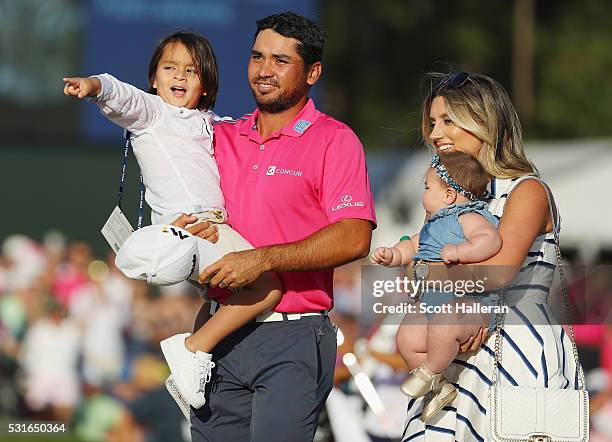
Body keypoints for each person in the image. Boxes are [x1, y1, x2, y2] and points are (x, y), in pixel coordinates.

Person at [172, 12, 376, 442]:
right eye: (257, 57)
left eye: (281, 61)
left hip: (293, 335)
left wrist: (262, 259)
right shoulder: (219, 134)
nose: (264, 70)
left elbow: (356, 235)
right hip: (216, 330)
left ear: (312, 72)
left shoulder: (334, 140)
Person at [62, 31, 283, 414]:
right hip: (191, 227)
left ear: (207, 83)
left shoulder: (214, 124)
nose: (179, 77)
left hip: (213, 228)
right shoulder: (152, 114)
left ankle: (193, 361)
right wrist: (94, 86)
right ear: (154, 77)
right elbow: (121, 94)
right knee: (269, 286)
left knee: (217, 300)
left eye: (191, 71)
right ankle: (191, 350)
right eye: (169, 68)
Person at [399, 72, 580, 441]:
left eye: (448, 121)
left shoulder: (526, 190)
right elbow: (412, 280)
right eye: (433, 123)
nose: (435, 134)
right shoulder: (447, 196)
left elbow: (496, 273)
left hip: (517, 350)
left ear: (484, 124)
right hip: (449, 352)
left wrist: (426, 270)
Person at [371, 151, 502, 422]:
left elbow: (490, 240)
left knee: (444, 325)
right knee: (406, 336)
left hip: (470, 302)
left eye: (428, 187)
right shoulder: (432, 227)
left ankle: (429, 372)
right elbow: (412, 245)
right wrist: (393, 255)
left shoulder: (468, 218)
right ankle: (440, 387)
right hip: (431, 302)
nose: (423, 195)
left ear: (449, 195)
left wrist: (461, 250)